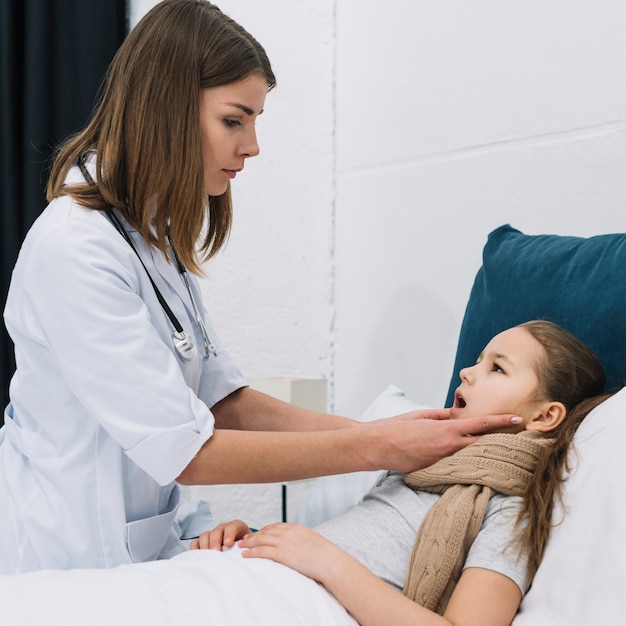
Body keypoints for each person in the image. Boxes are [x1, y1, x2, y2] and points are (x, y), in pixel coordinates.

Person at [0, 0, 519, 575]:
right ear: (167, 109)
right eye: (234, 119)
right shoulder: (76, 249)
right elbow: (187, 451)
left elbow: (223, 402)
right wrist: (380, 449)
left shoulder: (150, 237)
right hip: (60, 553)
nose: (252, 145)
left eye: (254, 121)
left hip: (143, 545)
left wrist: (379, 433)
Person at [192, 320, 610, 626]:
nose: (467, 372)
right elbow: (359, 543)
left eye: (496, 368)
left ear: (544, 415)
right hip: (244, 578)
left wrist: (323, 559)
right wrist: (252, 538)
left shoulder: (510, 510)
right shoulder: (420, 466)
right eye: (478, 361)